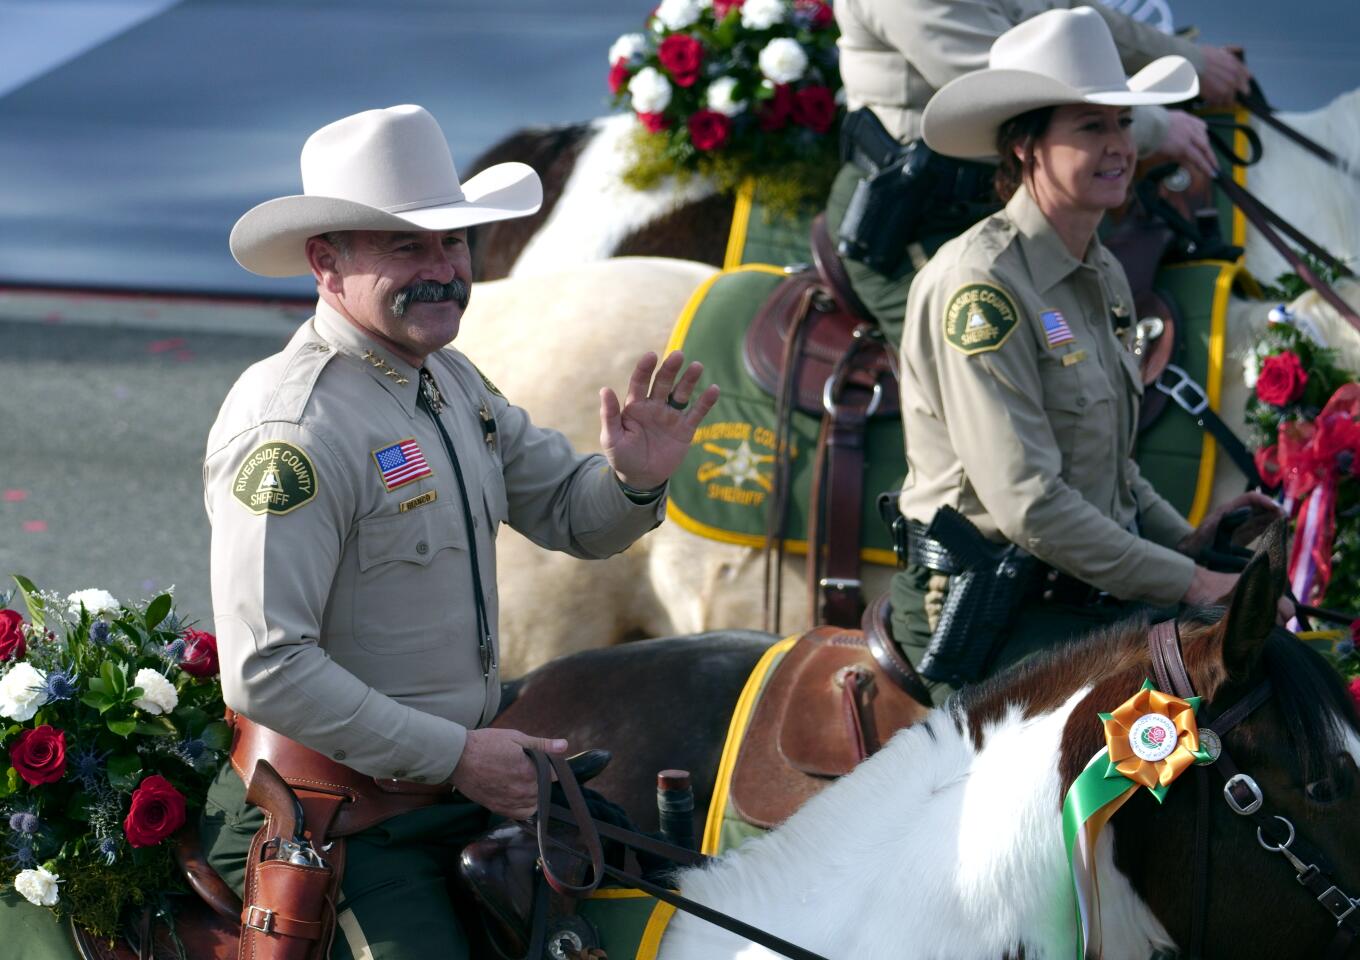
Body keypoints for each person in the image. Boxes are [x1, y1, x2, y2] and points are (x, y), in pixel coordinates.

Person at [198, 104, 719, 958]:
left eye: (454, 243)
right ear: (326, 261)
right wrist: (460, 757)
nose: (444, 270)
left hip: (457, 795)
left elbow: (570, 516)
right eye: (408, 246)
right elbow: (267, 669)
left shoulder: (447, 379)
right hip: (341, 822)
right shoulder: (290, 431)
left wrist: (636, 477)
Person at [890, 9, 1279, 702]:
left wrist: (1189, 540)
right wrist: (1192, 583)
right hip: (985, 614)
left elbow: (1112, 472)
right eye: (1090, 127)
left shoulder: (1097, 269)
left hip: (1073, 595)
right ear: (1024, 147)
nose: (1119, 147)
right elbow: (1031, 507)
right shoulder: (981, 288)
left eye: (1125, 124)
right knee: (1158, 756)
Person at [829, 0, 1253, 341]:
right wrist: (1153, 126)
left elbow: (1074, 20)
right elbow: (1009, 88)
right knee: (980, 365)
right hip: (914, 221)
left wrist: (1189, 61)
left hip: (1018, 195)